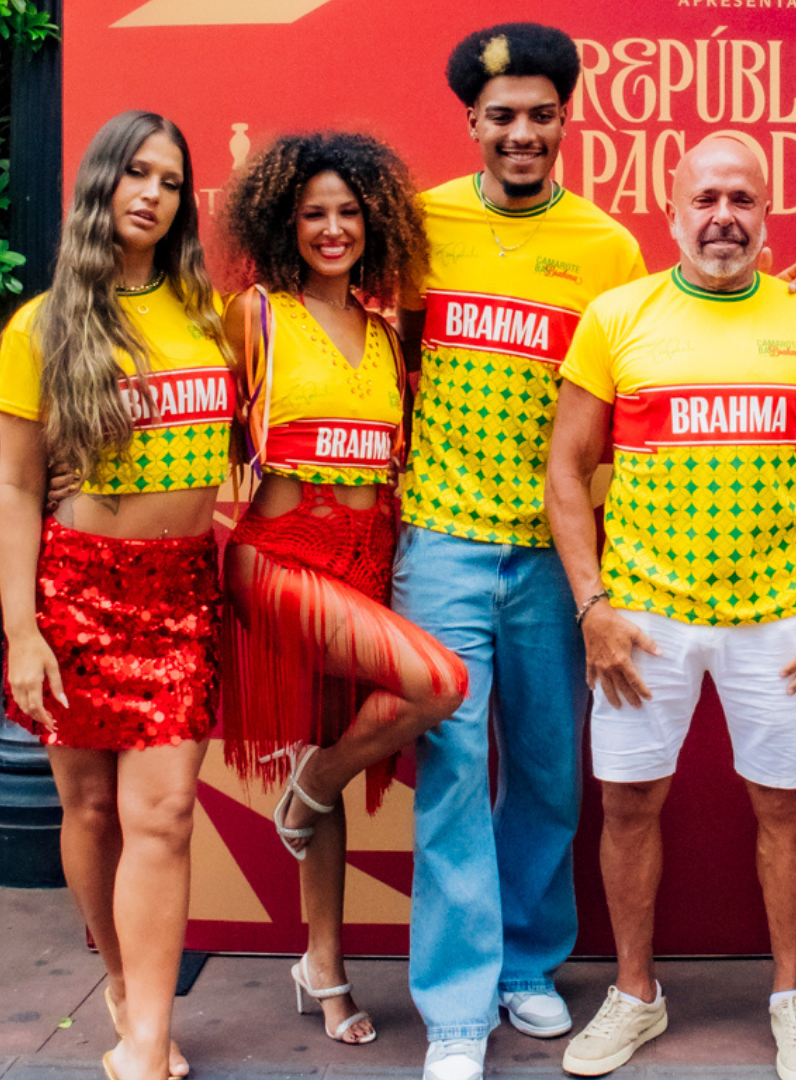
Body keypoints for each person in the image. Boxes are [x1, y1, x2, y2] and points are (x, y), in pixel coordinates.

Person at [545, 135, 796, 1080]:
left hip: (779, 615)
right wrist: (592, 606)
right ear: (672, 211)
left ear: (767, 215)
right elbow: (564, 471)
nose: (724, 216)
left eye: (742, 199)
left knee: (783, 808)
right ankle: (635, 995)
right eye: (706, 199)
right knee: (628, 804)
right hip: (644, 615)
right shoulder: (617, 317)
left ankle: (792, 998)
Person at [389, 24, 649, 1079]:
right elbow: (389, 357)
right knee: (452, 768)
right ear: (472, 123)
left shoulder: (609, 249)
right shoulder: (419, 225)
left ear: (566, 120)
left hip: (553, 555)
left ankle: (528, 963)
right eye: (502, 117)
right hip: (443, 539)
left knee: (547, 769)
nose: (522, 133)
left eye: (541, 115)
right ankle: (457, 1010)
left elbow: (621, 410)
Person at [0, 111, 232, 1080]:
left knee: (164, 815)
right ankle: (124, 981)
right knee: (89, 810)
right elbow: (17, 487)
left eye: (170, 181)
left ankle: (146, 1037)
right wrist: (22, 631)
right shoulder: (42, 325)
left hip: (182, 593)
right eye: (136, 173)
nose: (153, 194)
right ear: (100, 182)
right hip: (79, 590)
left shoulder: (211, 317)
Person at [219, 131, 469, 1046]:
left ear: (376, 222)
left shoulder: (389, 332)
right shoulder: (254, 314)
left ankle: (321, 969)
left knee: (324, 752)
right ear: (283, 223)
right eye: (313, 213)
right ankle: (312, 787)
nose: (333, 228)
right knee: (438, 684)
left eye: (349, 212)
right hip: (280, 559)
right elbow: (192, 412)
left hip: (366, 566)